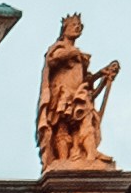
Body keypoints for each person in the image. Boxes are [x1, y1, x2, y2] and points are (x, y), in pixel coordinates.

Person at [34, 13, 118, 171]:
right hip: (62, 93)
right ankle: (63, 160)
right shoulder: (60, 47)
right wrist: (71, 53)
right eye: (74, 25)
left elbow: (86, 81)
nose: (78, 28)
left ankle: (89, 154)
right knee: (62, 127)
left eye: (80, 26)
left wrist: (103, 73)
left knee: (85, 125)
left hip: (78, 93)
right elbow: (51, 61)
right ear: (65, 29)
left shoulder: (80, 57)